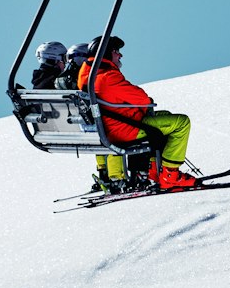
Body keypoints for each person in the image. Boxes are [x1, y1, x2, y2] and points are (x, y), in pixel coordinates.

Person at [78, 36, 197, 191]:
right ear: (106, 53)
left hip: (112, 126)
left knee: (165, 116)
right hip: (124, 130)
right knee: (181, 123)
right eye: (116, 51)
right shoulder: (107, 77)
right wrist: (142, 106)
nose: (120, 55)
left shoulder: (87, 76)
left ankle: (155, 172)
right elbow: (141, 98)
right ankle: (170, 175)